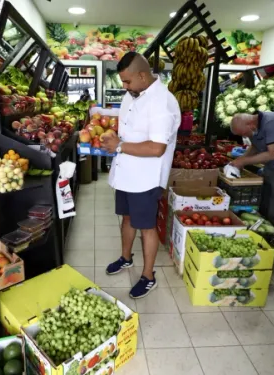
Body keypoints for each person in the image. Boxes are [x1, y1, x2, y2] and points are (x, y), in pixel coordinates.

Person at [100, 52, 181, 299]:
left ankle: (148, 276)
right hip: (126, 172)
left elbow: (157, 148)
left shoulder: (162, 103)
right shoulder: (133, 94)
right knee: (126, 218)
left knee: (146, 227)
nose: (124, 86)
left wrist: (120, 146)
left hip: (146, 178)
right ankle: (126, 258)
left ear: (142, 76)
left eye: (127, 81)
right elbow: (128, 129)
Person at [229, 112, 274, 229]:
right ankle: (260, 234)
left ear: (250, 125)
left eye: (244, 134)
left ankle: (273, 238)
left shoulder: (272, 122)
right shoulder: (254, 127)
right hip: (271, 168)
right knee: (263, 206)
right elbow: (254, 147)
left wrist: (244, 161)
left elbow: (273, 154)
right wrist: (241, 159)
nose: (244, 137)